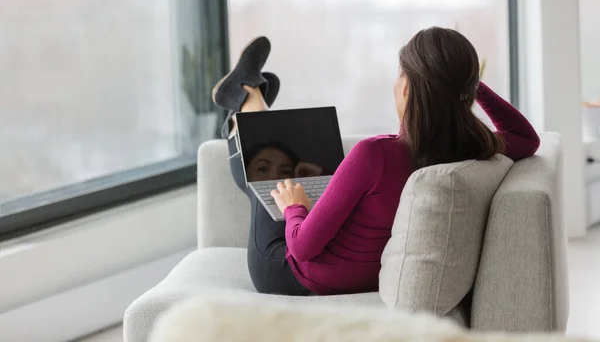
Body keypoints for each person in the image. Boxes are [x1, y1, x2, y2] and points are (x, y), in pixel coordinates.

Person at [212, 29, 540, 296]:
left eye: (399, 76)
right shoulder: (468, 150)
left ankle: (245, 99)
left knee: (268, 177)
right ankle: (247, 101)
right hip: (369, 277)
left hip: (290, 275)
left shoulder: (374, 155)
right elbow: (527, 138)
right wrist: (463, 84)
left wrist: (295, 208)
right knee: (290, 165)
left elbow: (301, 248)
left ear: (407, 89)